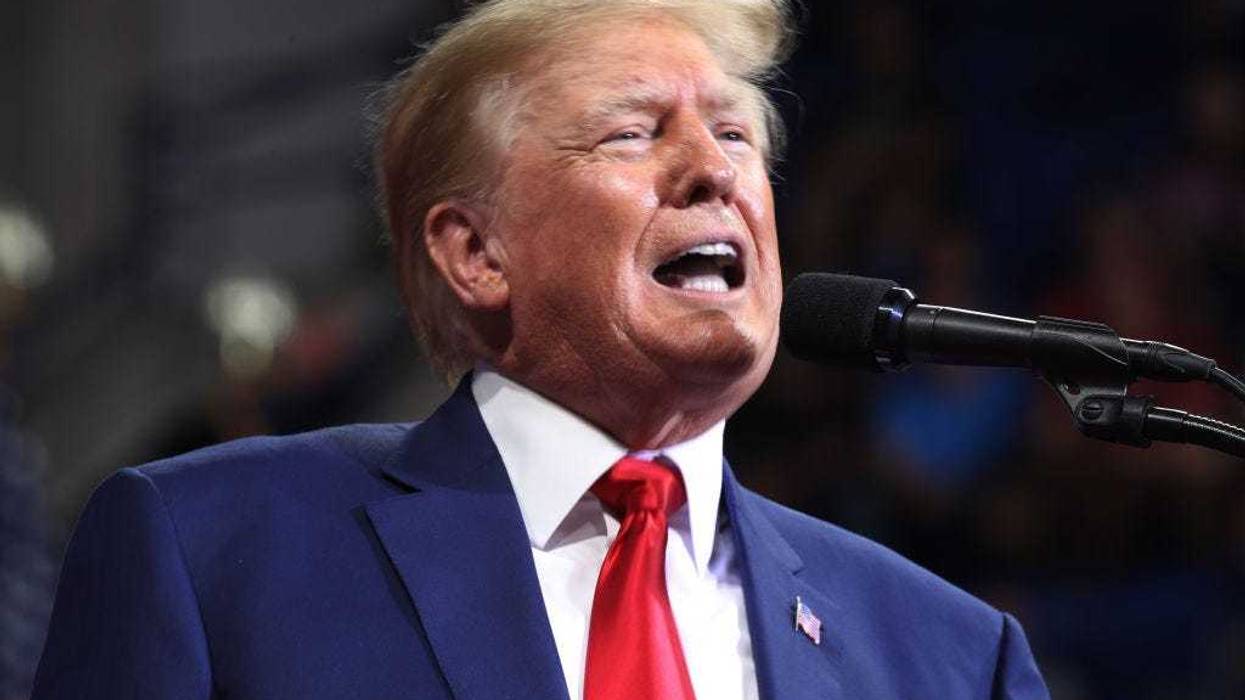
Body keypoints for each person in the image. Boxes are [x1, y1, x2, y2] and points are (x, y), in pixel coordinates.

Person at [33, 1, 1050, 697]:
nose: (713, 171)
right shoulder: (211, 552)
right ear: (476, 252)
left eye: (736, 136)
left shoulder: (949, 655)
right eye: (631, 134)